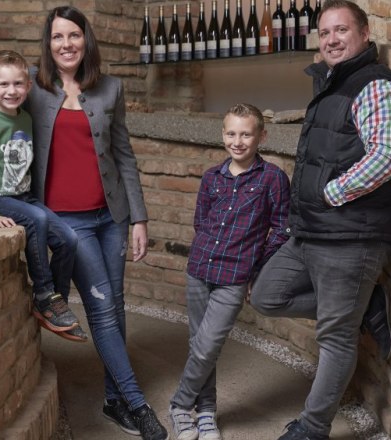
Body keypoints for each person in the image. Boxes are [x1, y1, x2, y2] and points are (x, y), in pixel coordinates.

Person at [248, 1, 391, 439]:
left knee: (335, 337)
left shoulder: (374, 86)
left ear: (364, 33)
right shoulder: (332, 82)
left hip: (350, 236)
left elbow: (386, 156)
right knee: (267, 295)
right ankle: (364, 305)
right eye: (325, 32)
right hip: (313, 231)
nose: (332, 39)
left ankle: (313, 428)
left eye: (342, 30)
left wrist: (330, 194)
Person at [24, 6, 168, 440]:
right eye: (57, 37)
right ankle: (138, 405)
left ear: (86, 40)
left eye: (74, 35)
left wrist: (139, 217)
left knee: (115, 305)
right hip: (69, 222)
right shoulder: (30, 85)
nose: (66, 44)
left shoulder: (110, 88)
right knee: (103, 310)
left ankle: (113, 399)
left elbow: (123, 154)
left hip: (111, 217)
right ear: (48, 44)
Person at [168, 104, 290, 440]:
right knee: (198, 344)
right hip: (199, 269)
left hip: (234, 276)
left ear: (261, 136)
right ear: (223, 134)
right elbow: (201, 221)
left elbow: (282, 228)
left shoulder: (273, 178)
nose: (238, 141)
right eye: (231, 133)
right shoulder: (211, 177)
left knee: (208, 346)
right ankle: (206, 413)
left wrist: (257, 267)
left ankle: (179, 404)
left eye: (246, 134)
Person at [0, 50, 86, 342]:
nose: (11, 91)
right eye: (3, 84)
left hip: (22, 197)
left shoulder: (24, 119)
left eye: (18, 84)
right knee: (37, 219)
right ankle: (43, 294)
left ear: (28, 86)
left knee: (69, 239)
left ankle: (56, 302)